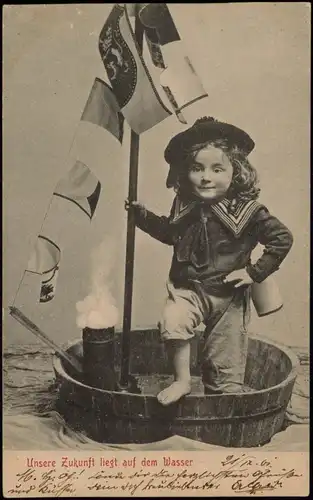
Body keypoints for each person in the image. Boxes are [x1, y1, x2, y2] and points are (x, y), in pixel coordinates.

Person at [125, 116, 293, 406]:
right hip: (187, 288)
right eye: (196, 168)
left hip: (228, 296)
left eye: (217, 169)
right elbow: (170, 233)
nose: (206, 177)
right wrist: (142, 217)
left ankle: (223, 400)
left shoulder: (247, 210)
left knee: (225, 362)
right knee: (173, 322)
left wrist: (254, 272)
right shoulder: (184, 205)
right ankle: (181, 381)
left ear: (236, 173)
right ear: (183, 172)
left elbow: (282, 238)